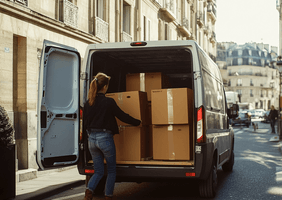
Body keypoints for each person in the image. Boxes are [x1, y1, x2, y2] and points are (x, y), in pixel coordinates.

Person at [83, 72, 141, 200]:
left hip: (91, 140)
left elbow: (85, 123)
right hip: (105, 139)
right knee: (111, 170)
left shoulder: (88, 103)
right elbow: (122, 116)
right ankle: (108, 196)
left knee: (98, 171)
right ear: (104, 87)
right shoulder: (108, 102)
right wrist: (138, 122)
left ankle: (89, 191)